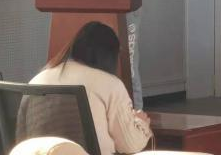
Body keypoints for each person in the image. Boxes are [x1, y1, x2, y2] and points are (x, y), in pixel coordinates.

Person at [24, 22, 152, 155]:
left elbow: (21, 137)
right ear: (110, 55)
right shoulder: (109, 84)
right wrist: (141, 123)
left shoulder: (37, 79)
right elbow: (130, 145)